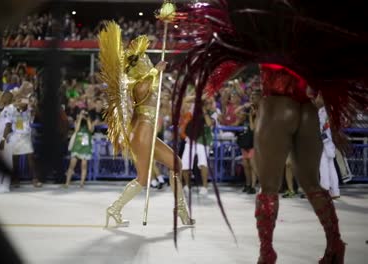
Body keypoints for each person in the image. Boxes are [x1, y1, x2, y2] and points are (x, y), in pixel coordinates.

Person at [174, 1, 368, 262]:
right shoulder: (309, 39)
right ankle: (335, 243)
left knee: (268, 187)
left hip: (277, 106)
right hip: (307, 110)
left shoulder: (266, 28)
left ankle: (267, 252)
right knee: (312, 184)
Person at [98, 22, 194, 227]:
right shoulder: (132, 80)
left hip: (148, 129)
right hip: (141, 130)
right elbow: (141, 91)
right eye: (144, 59)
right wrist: (155, 72)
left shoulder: (146, 75)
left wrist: (156, 74)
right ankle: (114, 209)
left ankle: (181, 210)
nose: (147, 60)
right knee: (143, 178)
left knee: (175, 163)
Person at [311, 91, 340, 199]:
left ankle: (325, 190)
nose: (316, 99)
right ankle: (335, 190)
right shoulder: (327, 110)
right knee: (330, 166)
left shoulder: (323, 111)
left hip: (324, 141)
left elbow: (321, 128)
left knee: (323, 166)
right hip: (328, 141)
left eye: (318, 97)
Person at [65, 109, 94, 188]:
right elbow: (76, 130)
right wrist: (80, 119)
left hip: (85, 146)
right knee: (72, 164)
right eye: (82, 113)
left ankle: (82, 183)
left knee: (84, 165)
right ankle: (67, 182)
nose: (84, 115)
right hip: (77, 145)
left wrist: (88, 119)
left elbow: (91, 130)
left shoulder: (89, 121)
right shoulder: (77, 122)